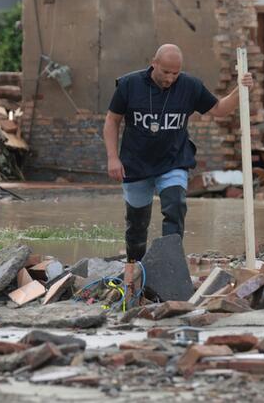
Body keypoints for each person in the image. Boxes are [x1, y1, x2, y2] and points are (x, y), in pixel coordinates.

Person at [103, 44, 254, 261]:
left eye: (175, 73)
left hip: (172, 160)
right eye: (165, 72)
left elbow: (219, 110)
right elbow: (112, 120)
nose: (170, 78)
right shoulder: (129, 84)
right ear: (154, 63)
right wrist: (112, 157)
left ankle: (169, 262)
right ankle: (135, 269)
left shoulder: (189, 86)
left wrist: (240, 89)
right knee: (137, 224)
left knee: (175, 206)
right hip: (135, 162)